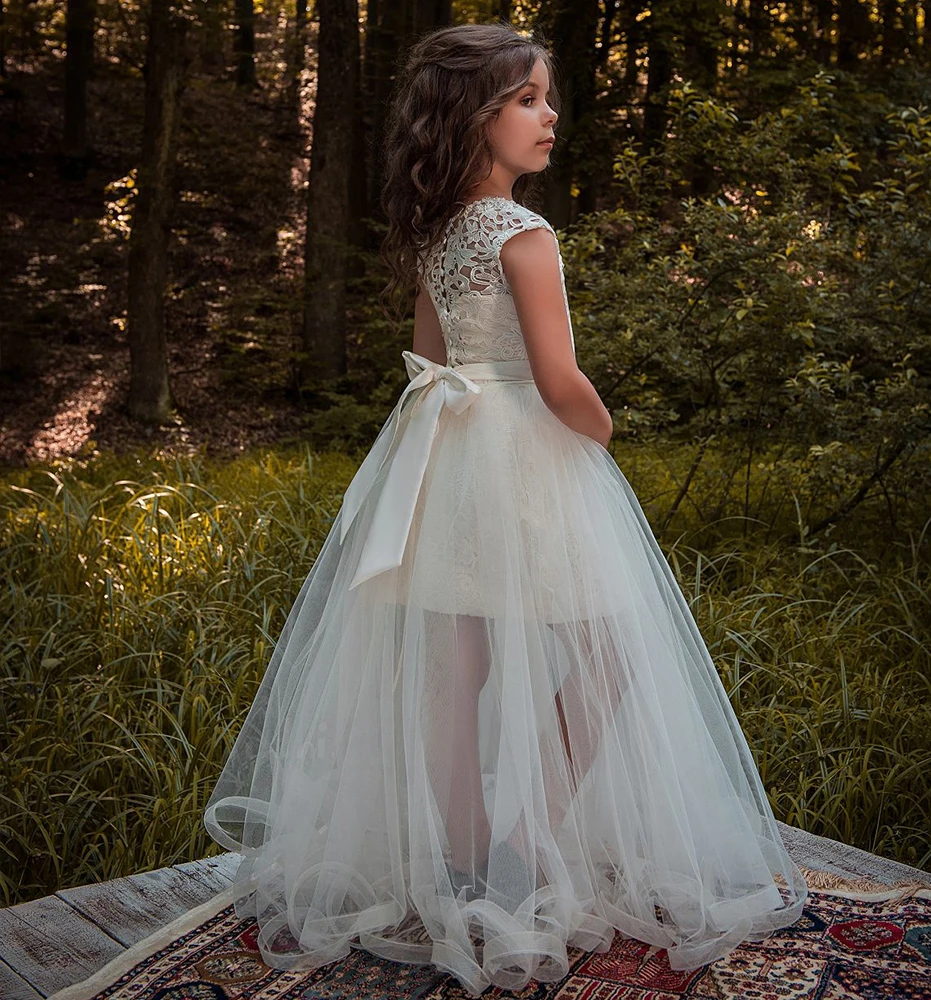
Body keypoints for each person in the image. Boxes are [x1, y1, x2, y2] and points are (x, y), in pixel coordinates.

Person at [203, 21, 808, 995]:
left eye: (545, 96)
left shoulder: (440, 232)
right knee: (608, 649)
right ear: (475, 117)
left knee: (455, 666)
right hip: (523, 451)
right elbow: (561, 381)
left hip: (444, 453)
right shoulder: (526, 237)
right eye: (526, 98)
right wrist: (603, 435)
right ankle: (525, 833)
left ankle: (467, 853)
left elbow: (430, 363)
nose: (548, 115)